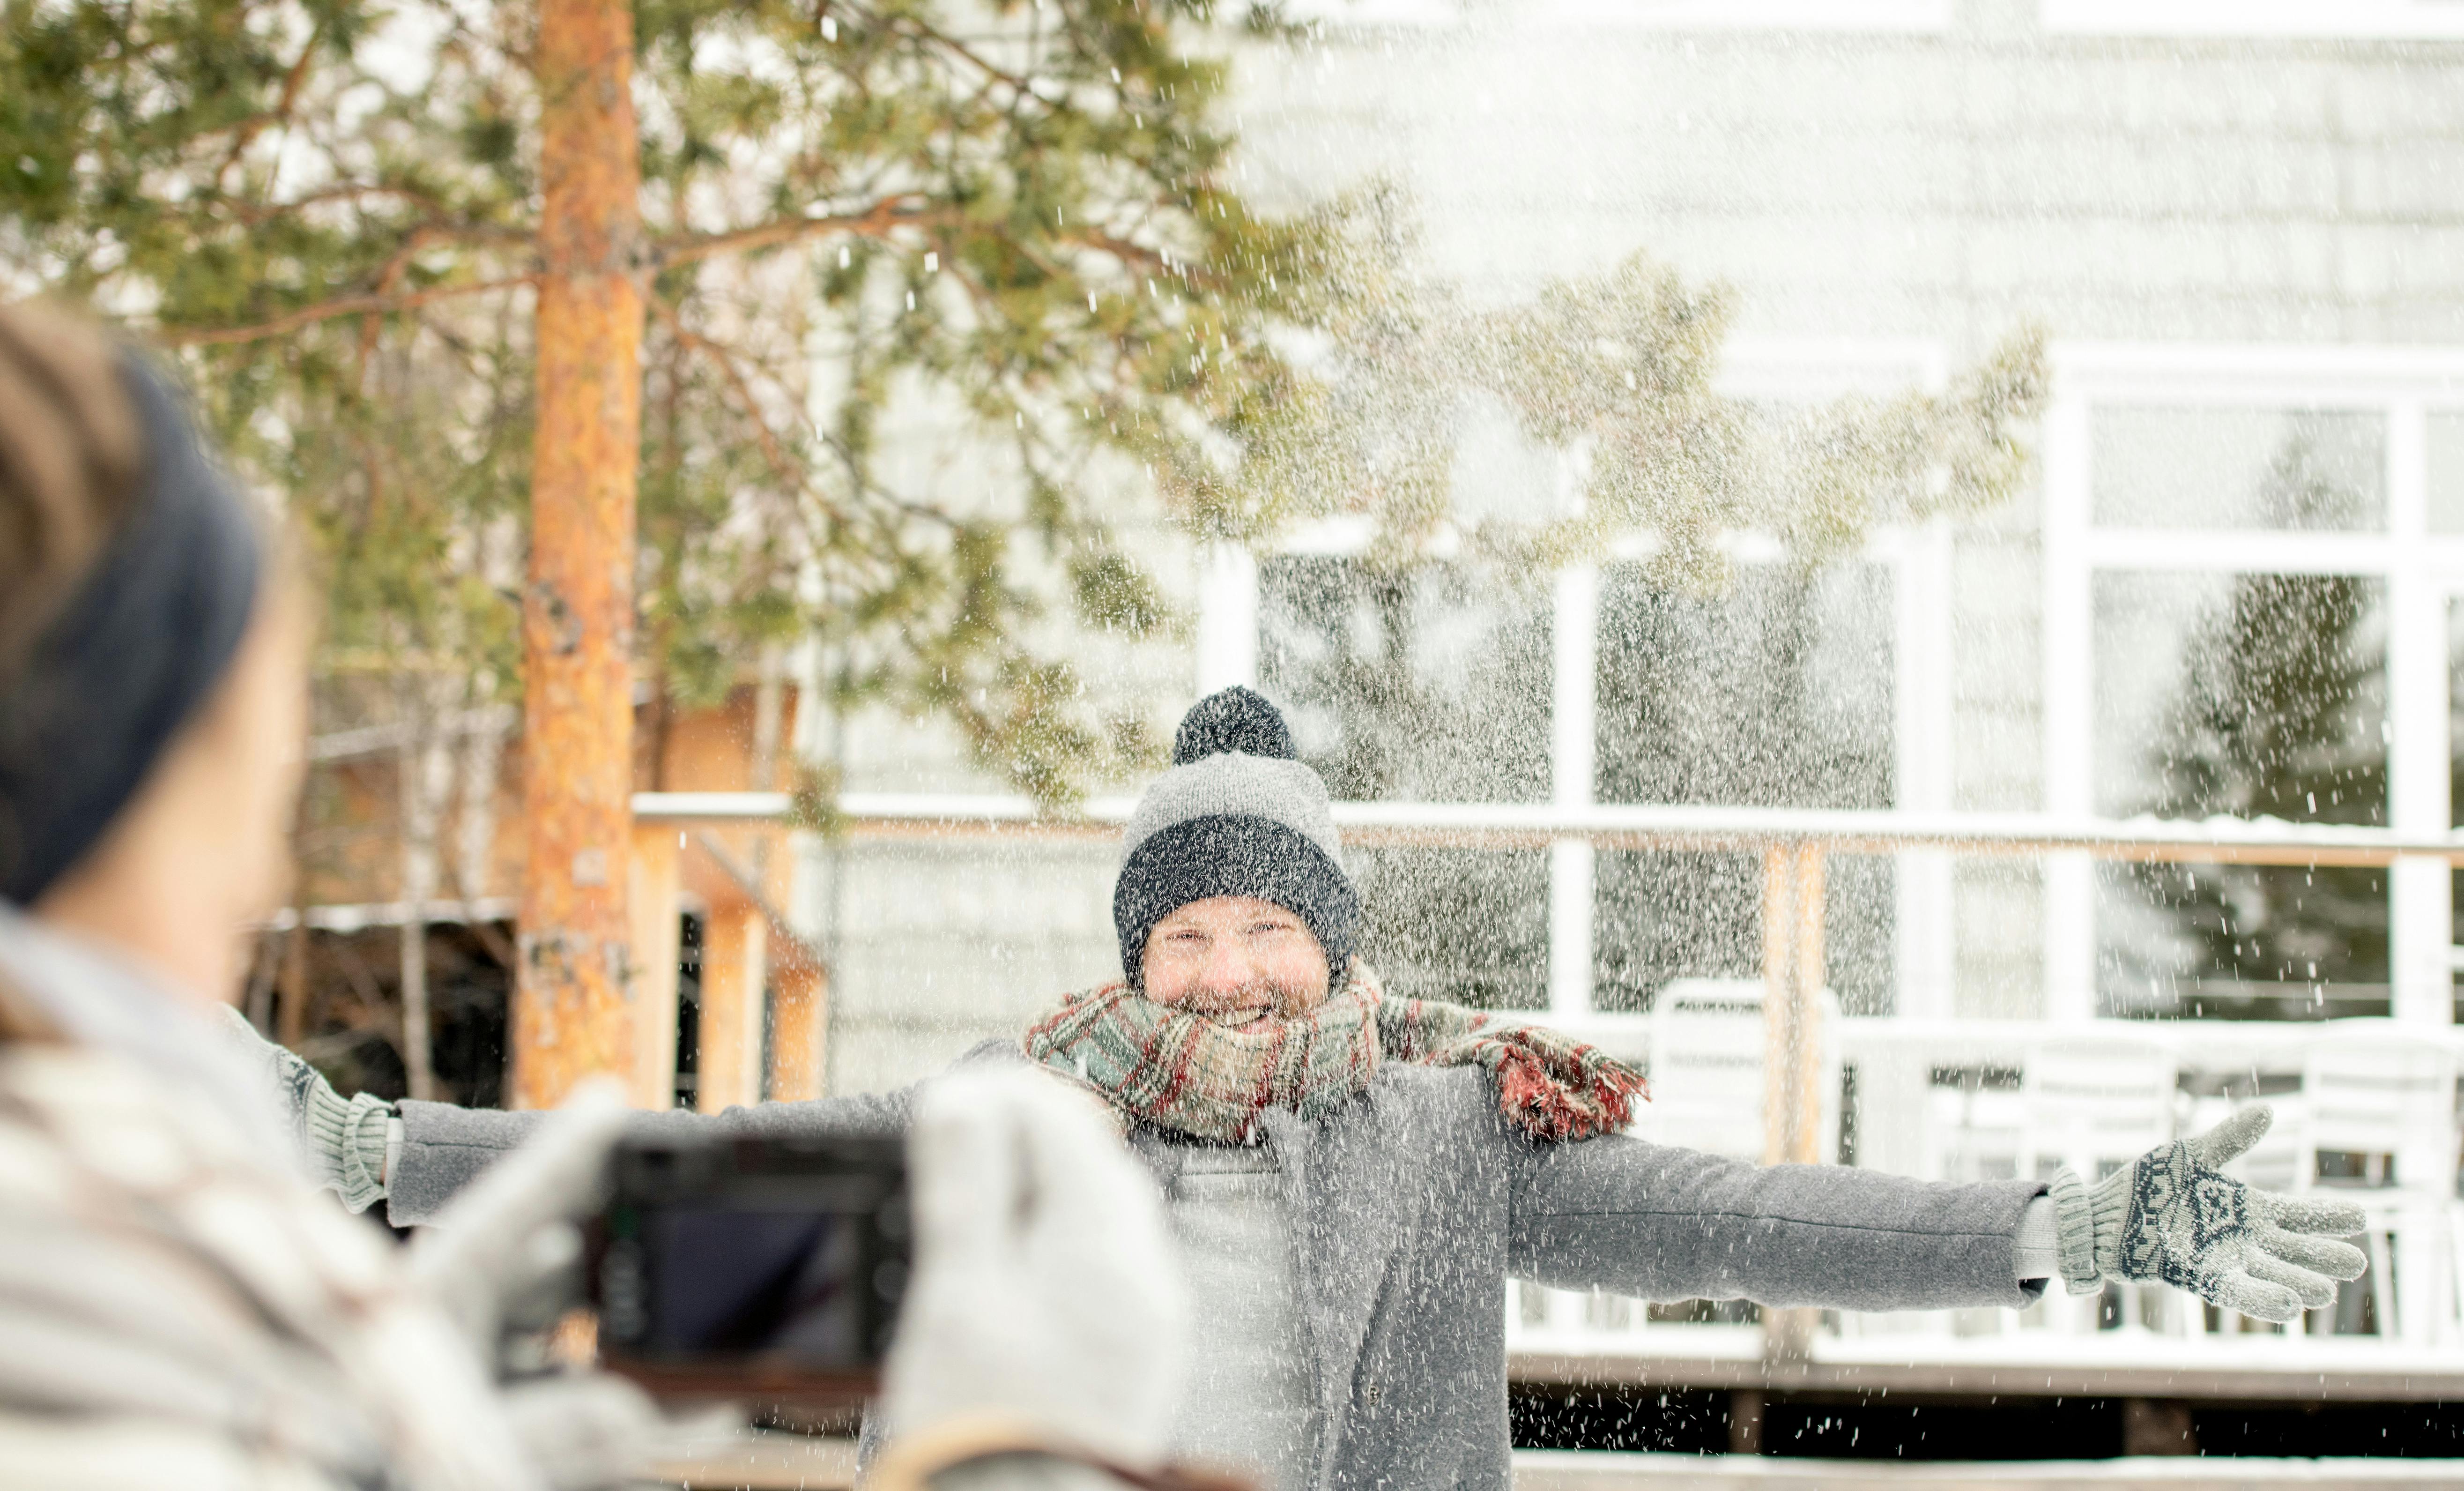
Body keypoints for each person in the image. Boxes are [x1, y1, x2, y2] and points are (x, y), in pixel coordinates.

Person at [282, 685, 2373, 1491]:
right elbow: (729, 1191)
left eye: (1267, 928)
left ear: (1336, 941)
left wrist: (2054, 1231)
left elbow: (1726, 1223)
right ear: (1133, 959)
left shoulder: (1454, 1122)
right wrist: (399, 1160)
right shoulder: (1031, 1115)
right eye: (1182, 935)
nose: (1227, 965)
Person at [0, 300, 1193, 1491]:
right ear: (102, 782)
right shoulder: (93, 1281)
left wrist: (385, 1419)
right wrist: (1010, 1460)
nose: (262, 882)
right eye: (256, 800)